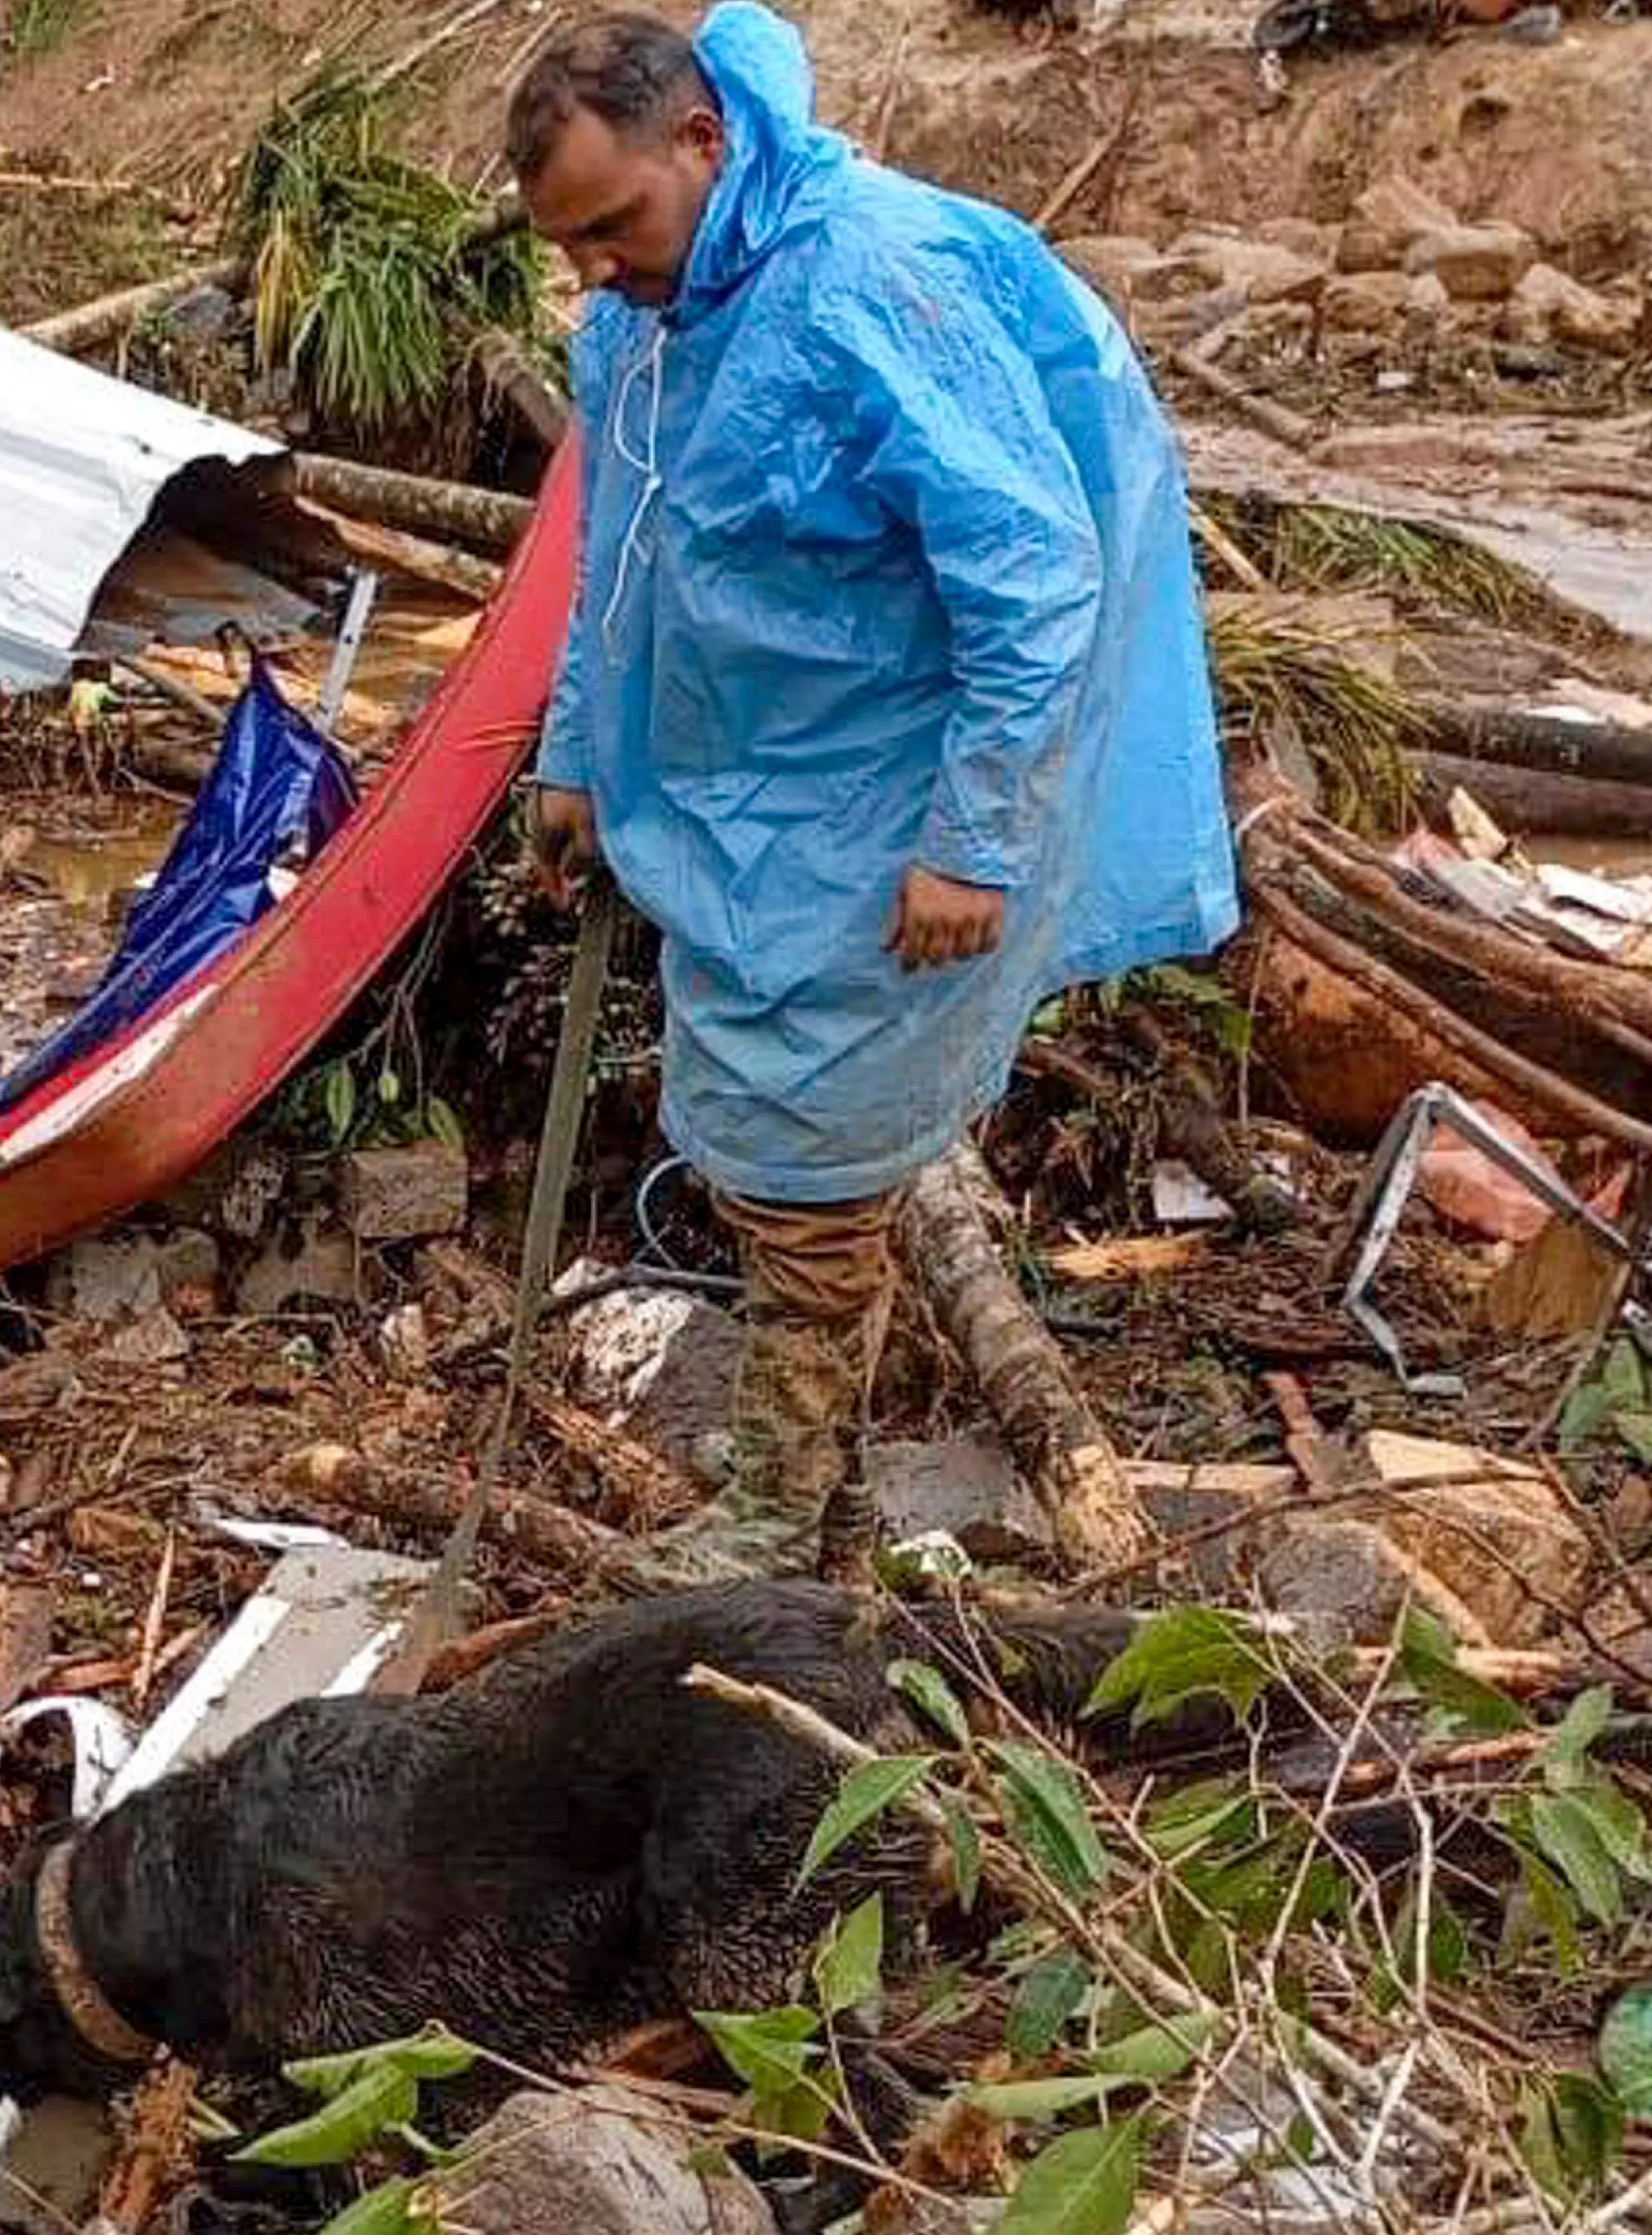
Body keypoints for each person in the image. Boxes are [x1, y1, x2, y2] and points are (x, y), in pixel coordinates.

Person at [506, 3, 1239, 1584]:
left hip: (878, 802)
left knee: (810, 1163)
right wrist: (574, 748)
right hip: (731, 799)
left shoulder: (869, 281)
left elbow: (1034, 571)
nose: (592, 268)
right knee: (764, 1136)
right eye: (565, 245)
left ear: (701, 142)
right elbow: (614, 553)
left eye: (611, 223)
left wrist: (973, 836)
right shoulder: (639, 323)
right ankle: (827, 1501)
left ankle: (777, 1507)